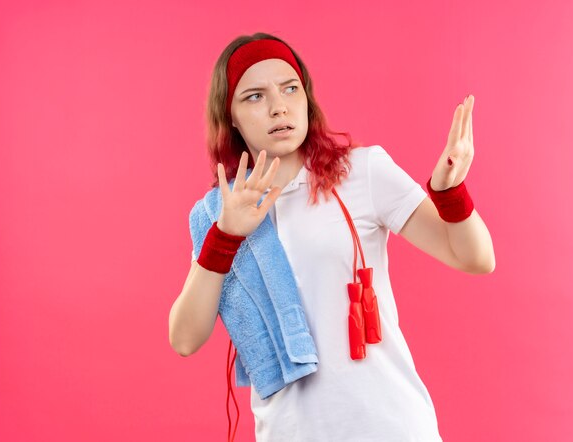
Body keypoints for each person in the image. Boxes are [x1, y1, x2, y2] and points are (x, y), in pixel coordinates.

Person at [168, 32, 495, 442]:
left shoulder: (362, 171)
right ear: (230, 116)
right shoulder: (221, 213)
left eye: (290, 88)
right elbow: (184, 338)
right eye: (254, 96)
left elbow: (475, 258)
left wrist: (449, 192)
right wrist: (226, 237)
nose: (278, 106)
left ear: (306, 97)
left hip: (390, 425)